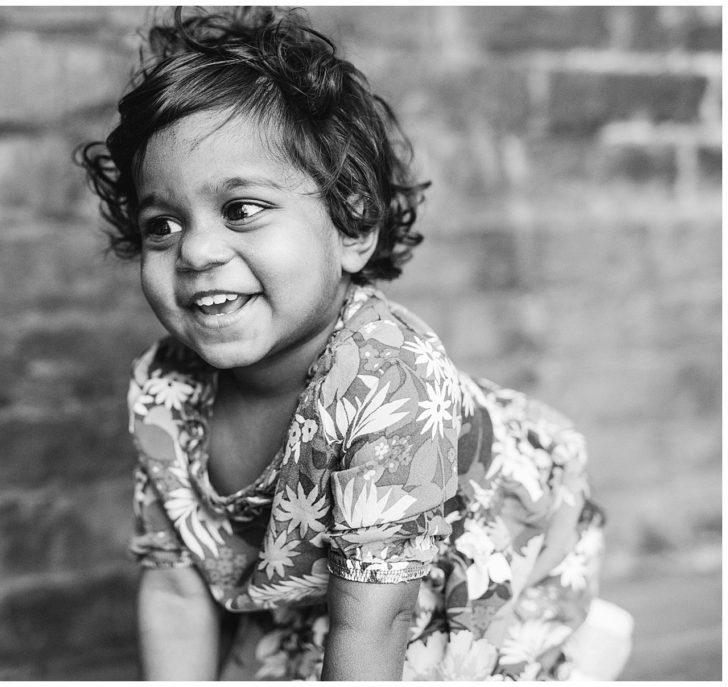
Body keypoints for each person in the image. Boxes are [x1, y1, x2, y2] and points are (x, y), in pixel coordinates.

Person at [78, 7, 627, 681]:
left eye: (241, 210)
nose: (195, 251)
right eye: (162, 224)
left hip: (481, 559)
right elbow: (175, 588)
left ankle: (584, 641)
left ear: (352, 224)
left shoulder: (388, 382)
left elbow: (377, 623)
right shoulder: (165, 392)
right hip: (322, 579)